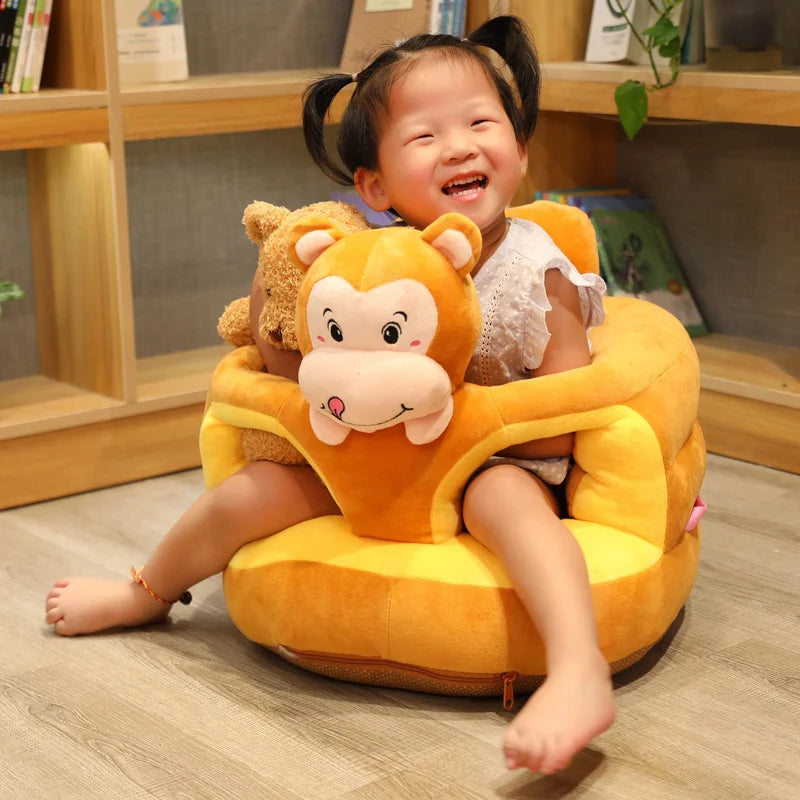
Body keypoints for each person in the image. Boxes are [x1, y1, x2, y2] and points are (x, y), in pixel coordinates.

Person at [45, 15, 614, 775]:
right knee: (252, 491)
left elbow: (563, 418)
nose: (460, 146)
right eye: (425, 136)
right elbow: (300, 372)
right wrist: (275, 295)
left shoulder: (538, 271)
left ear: (521, 149)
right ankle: (149, 590)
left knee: (506, 500)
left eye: (482, 123)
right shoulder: (360, 261)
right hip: (369, 459)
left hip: (492, 460)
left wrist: (463, 429)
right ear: (374, 185)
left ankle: (578, 667)